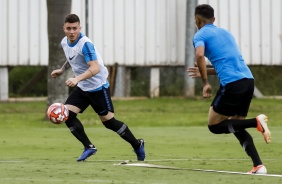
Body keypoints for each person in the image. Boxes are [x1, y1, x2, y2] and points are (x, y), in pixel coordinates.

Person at [187, 4, 271, 174]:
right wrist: (206, 71)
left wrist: (205, 82)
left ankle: (256, 122)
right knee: (236, 125)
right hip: (248, 81)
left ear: (197, 19)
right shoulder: (226, 33)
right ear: (214, 19)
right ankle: (258, 166)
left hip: (232, 84)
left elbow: (199, 55)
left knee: (214, 125)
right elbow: (226, 63)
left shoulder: (200, 35)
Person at [50, 14, 145, 162]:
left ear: (80, 28)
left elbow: (95, 68)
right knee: (67, 115)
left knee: (109, 123)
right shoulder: (65, 42)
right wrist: (62, 70)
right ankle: (89, 147)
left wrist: (76, 78)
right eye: (69, 28)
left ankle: (137, 144)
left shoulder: (85, 44)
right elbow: (71, 58)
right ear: (64, 29)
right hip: (83, 87)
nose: (72, 32)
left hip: (98, 87)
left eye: (75, 28)